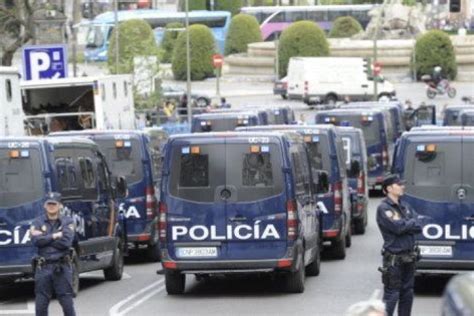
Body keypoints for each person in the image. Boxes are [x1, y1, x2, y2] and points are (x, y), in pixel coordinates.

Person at [376, 175, 422, 316]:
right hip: (394, 259)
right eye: (399, 184)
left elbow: (419, 226)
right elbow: (397, 228)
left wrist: (405, 224)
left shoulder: (405, 206)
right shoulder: (384, 208)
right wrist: (409, 223)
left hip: (409, 257)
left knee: (407, 293)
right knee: (392, 295)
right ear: (389, 188)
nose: (402, 186)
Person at [30, 192, 76, 316]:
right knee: (41, 305)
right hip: (43, 268)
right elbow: (36, 241)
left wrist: (45, 237)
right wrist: (55, 235)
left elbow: (66, 242)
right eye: (49, 204)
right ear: (45, 206)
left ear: (60, 205)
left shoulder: (67, 221)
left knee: (67, 304)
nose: (51, 206)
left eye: (54, 204)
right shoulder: (37, 222)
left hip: (62, 267)